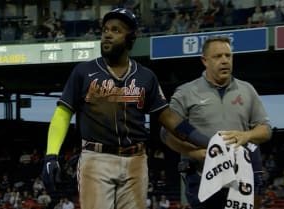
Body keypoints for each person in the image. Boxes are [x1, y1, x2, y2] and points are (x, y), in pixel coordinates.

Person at [41, 7, 209, 209]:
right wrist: (51, 155)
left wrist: (207, 141)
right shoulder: (84, 72)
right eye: (105, 30)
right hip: (96, 159)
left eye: (116, 30)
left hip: (135, 160)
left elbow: (169, 118)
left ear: (131, 38)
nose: (107, 35)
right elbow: (62, 113)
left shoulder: (146, 77)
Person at [160, 36, 271, 209]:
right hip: (201, 174)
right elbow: (166, 133)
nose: (225, 60)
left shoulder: (247, 90)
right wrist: (193, 153)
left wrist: (246, 135)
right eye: (218, 56)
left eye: (228, 56)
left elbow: (265, 130)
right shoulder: (186, 92)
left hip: (239, 177)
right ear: (205, 61)